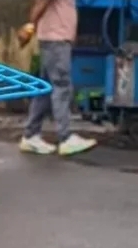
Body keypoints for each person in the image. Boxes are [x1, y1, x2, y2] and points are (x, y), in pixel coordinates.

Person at [18, 0, 97, 156]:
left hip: (56, 38)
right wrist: (31, 24)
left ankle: (30, 135)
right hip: (56, 39)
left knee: (46, 88)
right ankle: (65, 137)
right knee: (62, 86)